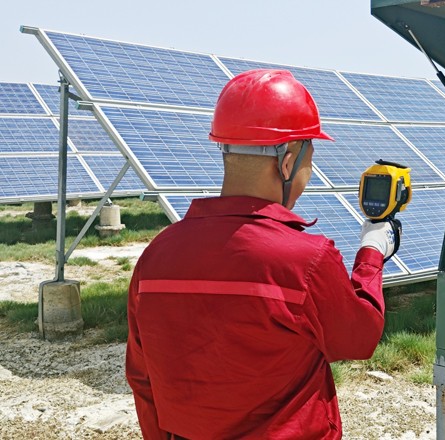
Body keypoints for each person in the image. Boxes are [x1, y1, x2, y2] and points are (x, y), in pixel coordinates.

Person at [125, 69, 402, 439]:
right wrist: (372, 251)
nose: (307, 175)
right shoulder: (306, 261)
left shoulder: (156, 257)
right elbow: (359, 337)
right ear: (287, 163)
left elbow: (142, 377)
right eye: (308, 162)